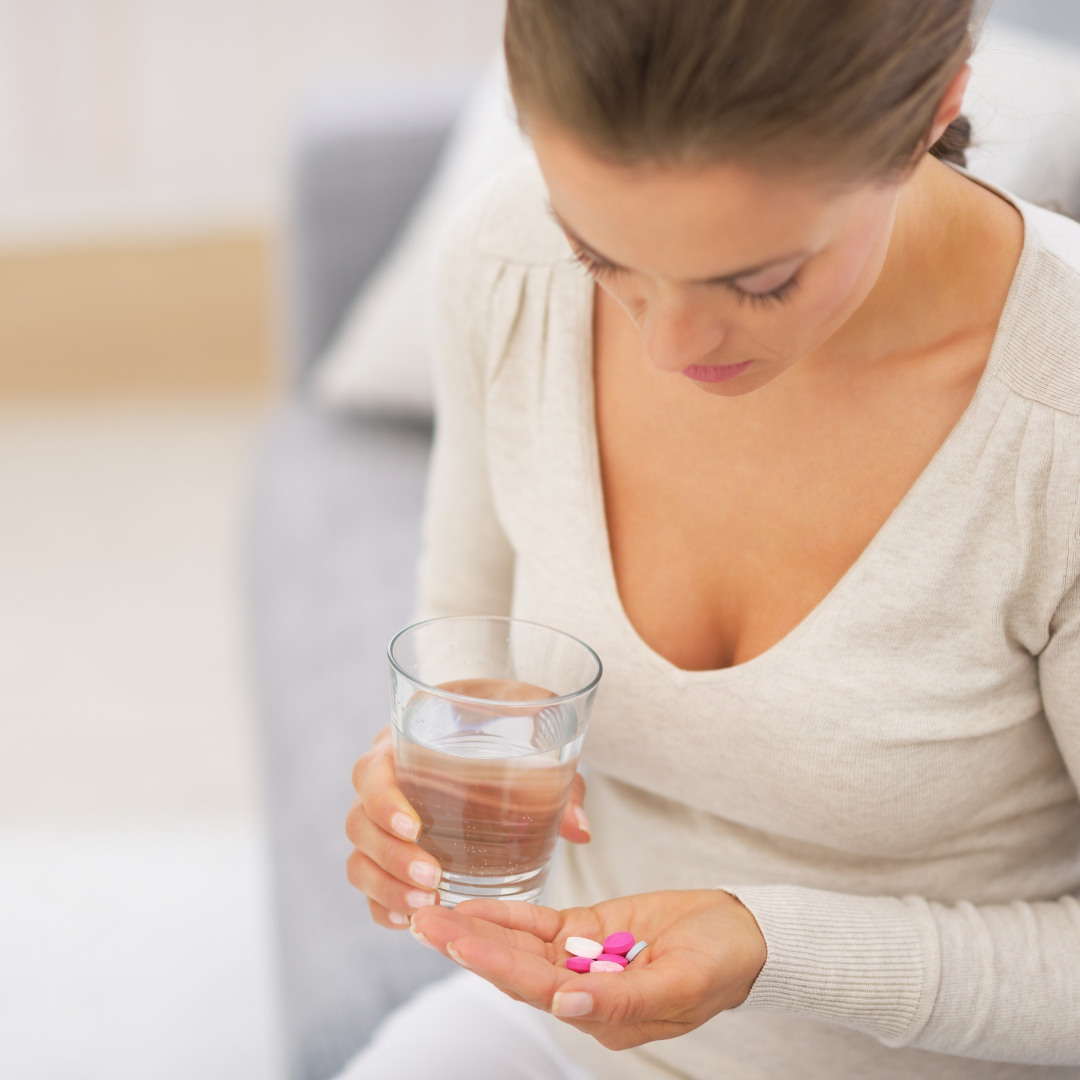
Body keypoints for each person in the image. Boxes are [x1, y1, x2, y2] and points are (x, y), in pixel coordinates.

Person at [341, 0, 1080, 1076]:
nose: (668, 345)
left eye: (761, 279)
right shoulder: (506, 265)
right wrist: (429, 779)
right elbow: (467, 626)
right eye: (600, 254)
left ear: (935, 111)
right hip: (566, 1040)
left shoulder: (1056, 423)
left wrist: (773, 949)